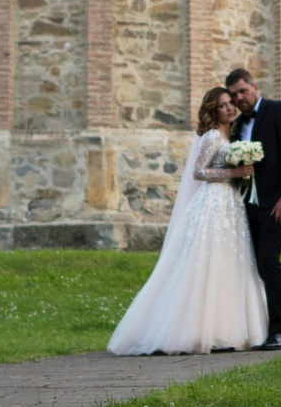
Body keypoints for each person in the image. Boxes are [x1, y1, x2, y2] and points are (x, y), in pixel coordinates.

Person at [106, 85, 270, 355]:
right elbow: (198, 172)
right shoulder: (211, 138)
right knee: (207, 261)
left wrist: (242, 172)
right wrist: (234, 172)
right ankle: (195, 330)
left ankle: (227, 329)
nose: (229, 108)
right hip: (213, 205)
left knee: (230, 262)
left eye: (230, 103)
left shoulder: (231, 137)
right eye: (222, 105)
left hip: (231, 205)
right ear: (212, 110)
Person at [224, 67, 281, 349]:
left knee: (269, 260)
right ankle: (254, 328)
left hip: (275, 203)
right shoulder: (236, 125)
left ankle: (279, 332)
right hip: (245, 204)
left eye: (243, 91)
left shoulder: (279, 110)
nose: (239, 98)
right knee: (253, 265)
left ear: (255, 87)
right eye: (233, 95)